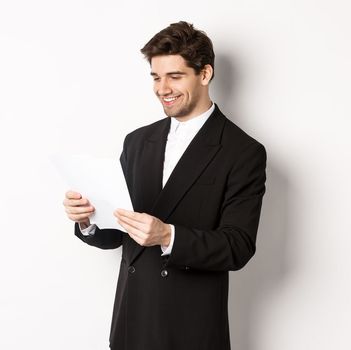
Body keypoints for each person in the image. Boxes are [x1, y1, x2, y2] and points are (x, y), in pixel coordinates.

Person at [62, 21, 266, 350]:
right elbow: (115, 234)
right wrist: (88, 219)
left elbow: (238, 246)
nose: (163, 89)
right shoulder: (138, 141)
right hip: (131, 323)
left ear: (205, 74)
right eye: (156, 77)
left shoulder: (243, 152)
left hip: (190, 330)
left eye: (175, 76)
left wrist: (168, 236)